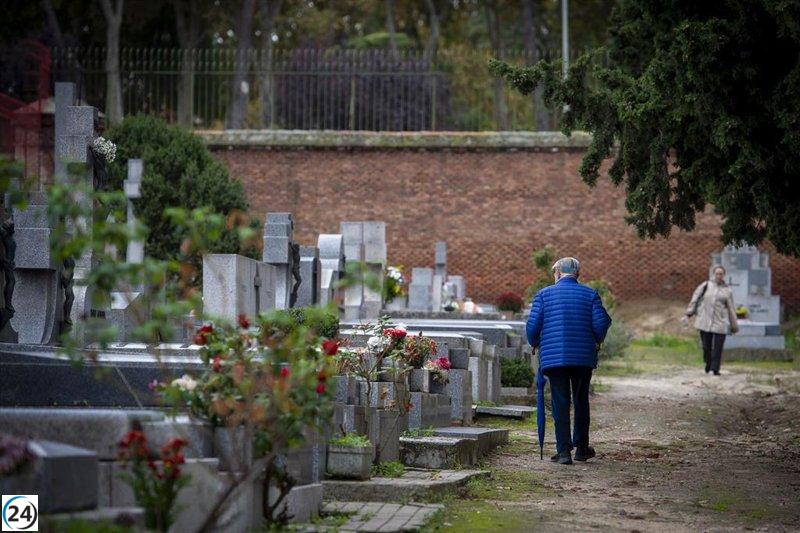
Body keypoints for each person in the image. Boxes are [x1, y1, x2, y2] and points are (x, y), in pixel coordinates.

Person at [526, 257, 612, 465]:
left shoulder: (543, 294)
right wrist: (597, 340)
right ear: (577, 274)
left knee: (560, 402)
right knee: (581, 400)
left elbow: (532, 327)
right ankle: (581, 449)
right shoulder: (590, 294)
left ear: (557, 273)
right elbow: (601, 323)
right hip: (582, 358)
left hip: (555, 359)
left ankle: (564, 451)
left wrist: (535, 342)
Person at [684, 265, 738, 375]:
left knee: (718, 347)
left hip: (720, 322)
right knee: (706, 347)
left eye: (721, 274)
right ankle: (708, 363)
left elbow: (731, 308)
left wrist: (734, 326)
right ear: (713, 274)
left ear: (724, 275)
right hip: (705, 320)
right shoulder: (706, 285)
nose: (718, 276)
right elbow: (695, 299)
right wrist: (689, 313)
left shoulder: (727, 290)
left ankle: (715, 369)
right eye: (717, 273)